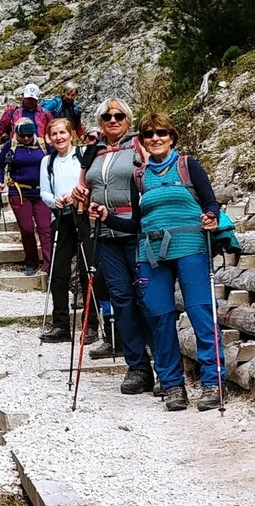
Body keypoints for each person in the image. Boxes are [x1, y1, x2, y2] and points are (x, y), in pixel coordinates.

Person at [90, 111, 225, 412]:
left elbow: (210, 201)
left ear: (172, 136)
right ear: (142, 141)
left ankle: (213, 381)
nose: (156, 139)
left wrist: (212, 217)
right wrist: (107, 217)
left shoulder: (188, 166)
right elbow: (135, 223)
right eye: (149, 135)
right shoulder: (139, 177)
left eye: (161, 133)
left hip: (190, 245)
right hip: (151, 252)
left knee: (200, 312)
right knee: (159, 317)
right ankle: (173, 385)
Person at [75, 98, 152, 393]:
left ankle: (163, 363)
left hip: (136, 230)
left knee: (146, 296)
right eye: (107, 116)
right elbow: (84, 188)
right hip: (104, 233)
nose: (113, 120)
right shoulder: (94, 151)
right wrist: (80, 194)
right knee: (121, 298)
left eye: (119, 115)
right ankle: (137, 367)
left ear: (128, 120)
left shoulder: (139, 146)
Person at [36, 117, 97, 343]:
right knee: (58, 273)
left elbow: (91, 182)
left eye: (63, 133)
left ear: (71, 134)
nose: (59, 137)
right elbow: (44, 191)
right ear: (49, 138)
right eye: (54, 134)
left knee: (85, 270)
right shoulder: (47, 161)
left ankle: (91, 325)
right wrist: (55, 201)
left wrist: (77, 194)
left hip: (82, 215)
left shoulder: (83, 155)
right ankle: (61, 325)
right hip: (61, 217)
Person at [0, 118, 51, 276]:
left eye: (29, 135)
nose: (26, 138)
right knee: (27, 229)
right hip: (19, 193)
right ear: (16, 133)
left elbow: (55, 161)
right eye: (22, 135)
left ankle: (49, 265)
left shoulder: (43, 145)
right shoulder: (10, 146)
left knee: (45, 229)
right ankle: (31, 261)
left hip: (42, 193)